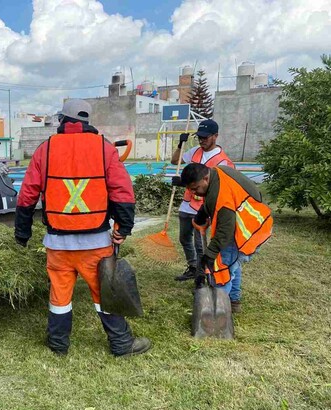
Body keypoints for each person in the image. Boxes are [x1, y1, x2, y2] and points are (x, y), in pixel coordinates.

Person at [14, 99, 151, 357]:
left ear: (62, 120)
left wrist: (22, 232)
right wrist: (124, 227)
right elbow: (122, 191)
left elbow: (27, 195)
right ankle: (121, 344)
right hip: (96, 244)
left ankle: (58, 345)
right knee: (103, 293)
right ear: (87, 121)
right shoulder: (105, 149)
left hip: (57, 245)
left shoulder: (45, 149)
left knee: (60, 297)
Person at [180, 163, 273, 313]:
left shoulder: (222, 197)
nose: (193, 192)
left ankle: (218, 312)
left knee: (222, 269)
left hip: (244, 231)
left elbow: (225, 231)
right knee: (233, 266)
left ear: (205, 178)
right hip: (254, 224)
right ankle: (234, 301)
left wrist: (210, 254)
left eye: (196, 188)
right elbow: (213, 197)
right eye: (190, 189)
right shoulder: (217, 172)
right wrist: (203, 212)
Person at [171, 119, 235, 281]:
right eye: (199, 137)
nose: (201, 140)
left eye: (205, 137)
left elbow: (223, 189)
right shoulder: (194, 151)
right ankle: (193, 267)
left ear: (215, 136)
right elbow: (174, 161)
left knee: (201, 245)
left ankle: (203, 275)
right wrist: (180, 145)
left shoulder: (223, 161)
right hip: (187, 205)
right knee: (184, 238)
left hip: (204, 208)